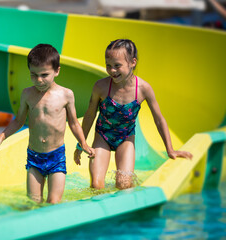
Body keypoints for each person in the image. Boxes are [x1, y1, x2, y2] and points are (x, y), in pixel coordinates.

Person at [74, 39, 193, 190]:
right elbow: (90, 115)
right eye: (108, 66)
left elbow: (158, 119)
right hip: (102, 137)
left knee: (124, 185)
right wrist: (81, 144)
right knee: (96, 185)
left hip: (126, 139)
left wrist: (169, 149)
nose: (112, 71)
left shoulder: (143, 89)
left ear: (132, 62)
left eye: (117, 66)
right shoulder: (101, 87)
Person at [0, 44, 95, 204]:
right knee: (33, 202)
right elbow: (18, 121)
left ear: (57, 71)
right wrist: (1, 137)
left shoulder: (66, 95)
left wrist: (84, 143)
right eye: (34, 75)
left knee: (53, 202)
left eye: (44, 75)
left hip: (56, 157)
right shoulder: (27, 94)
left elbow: (73, 123)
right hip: (34, 157)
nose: (39, 80)